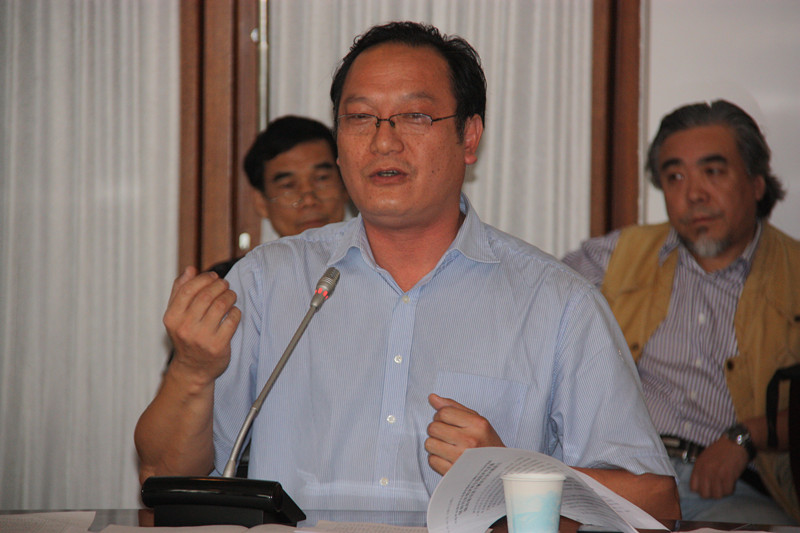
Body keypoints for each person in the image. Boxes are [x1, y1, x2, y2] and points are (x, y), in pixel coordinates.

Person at [135, 21, 678, 526]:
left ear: (470, 137)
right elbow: (162, 476)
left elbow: (655, 502)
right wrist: (192, 371)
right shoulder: (266, 281)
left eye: (415, 116)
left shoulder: (557, 302)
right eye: (359, 117)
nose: (383, 141)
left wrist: (510, 478)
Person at [562, 99, 799, 524]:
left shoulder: (794, 275)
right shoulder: (618, 256)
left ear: (756, 183)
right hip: (623, 483)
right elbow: (533, 309)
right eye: (675, 177)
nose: (694, 194)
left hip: (736, 489)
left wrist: (748, 435)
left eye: (713, 172)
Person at [206, 114, 349, 278]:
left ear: (345, 185)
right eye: (288, 186)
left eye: (322, 178)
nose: (309, 200)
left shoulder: (372, 268)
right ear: (261, 202)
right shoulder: (233, 281)